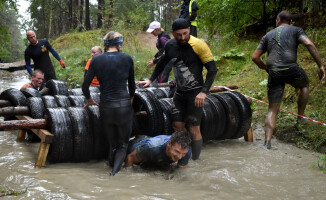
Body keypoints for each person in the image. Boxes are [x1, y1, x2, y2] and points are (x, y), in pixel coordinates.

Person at [137, 18, 218, 160]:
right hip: (179, 93)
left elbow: (212, 69)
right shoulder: (170, 45)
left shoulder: (198, 45)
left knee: (194, 129)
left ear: (189, 30)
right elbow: (162, 62)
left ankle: (196, 161)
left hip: (195, 93)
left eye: (185, 34)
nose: (182, 37)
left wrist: (203, 92)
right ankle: (184, 156)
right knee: (177, 126)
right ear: (173, 33)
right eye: (179, 35)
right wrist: (151, 79)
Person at [252, 10, 325, 149]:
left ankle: (267, 142)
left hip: (274, 72)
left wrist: (266, 68)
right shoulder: (296, 30)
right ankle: (299, 119)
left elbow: (255, 57)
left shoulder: (268, 35)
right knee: (304, 86)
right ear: (290, 22)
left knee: (272, 110)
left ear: (278, 20)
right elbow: (309, 44)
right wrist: (321, 65)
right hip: (292, 69)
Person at [82, 31, 136, 176]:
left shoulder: (96, 60)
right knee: (123, 145)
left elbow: (84, 85)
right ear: (120, 44)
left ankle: (110, 168)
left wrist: (89, 99)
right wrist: (129, 101)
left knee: (111, 143)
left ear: (105, 45)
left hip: (105, 106)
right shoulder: (127, 58)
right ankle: (113, 175)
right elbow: (132, 86)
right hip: (123, 105)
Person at [125, 131, 192, 168]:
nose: (179, 157)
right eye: (177, 151)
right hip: (137, 144)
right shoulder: (151, 147)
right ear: (169, 143)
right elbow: (130, 158)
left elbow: (182, 169)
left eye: (183, 154)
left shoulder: (187, 150)